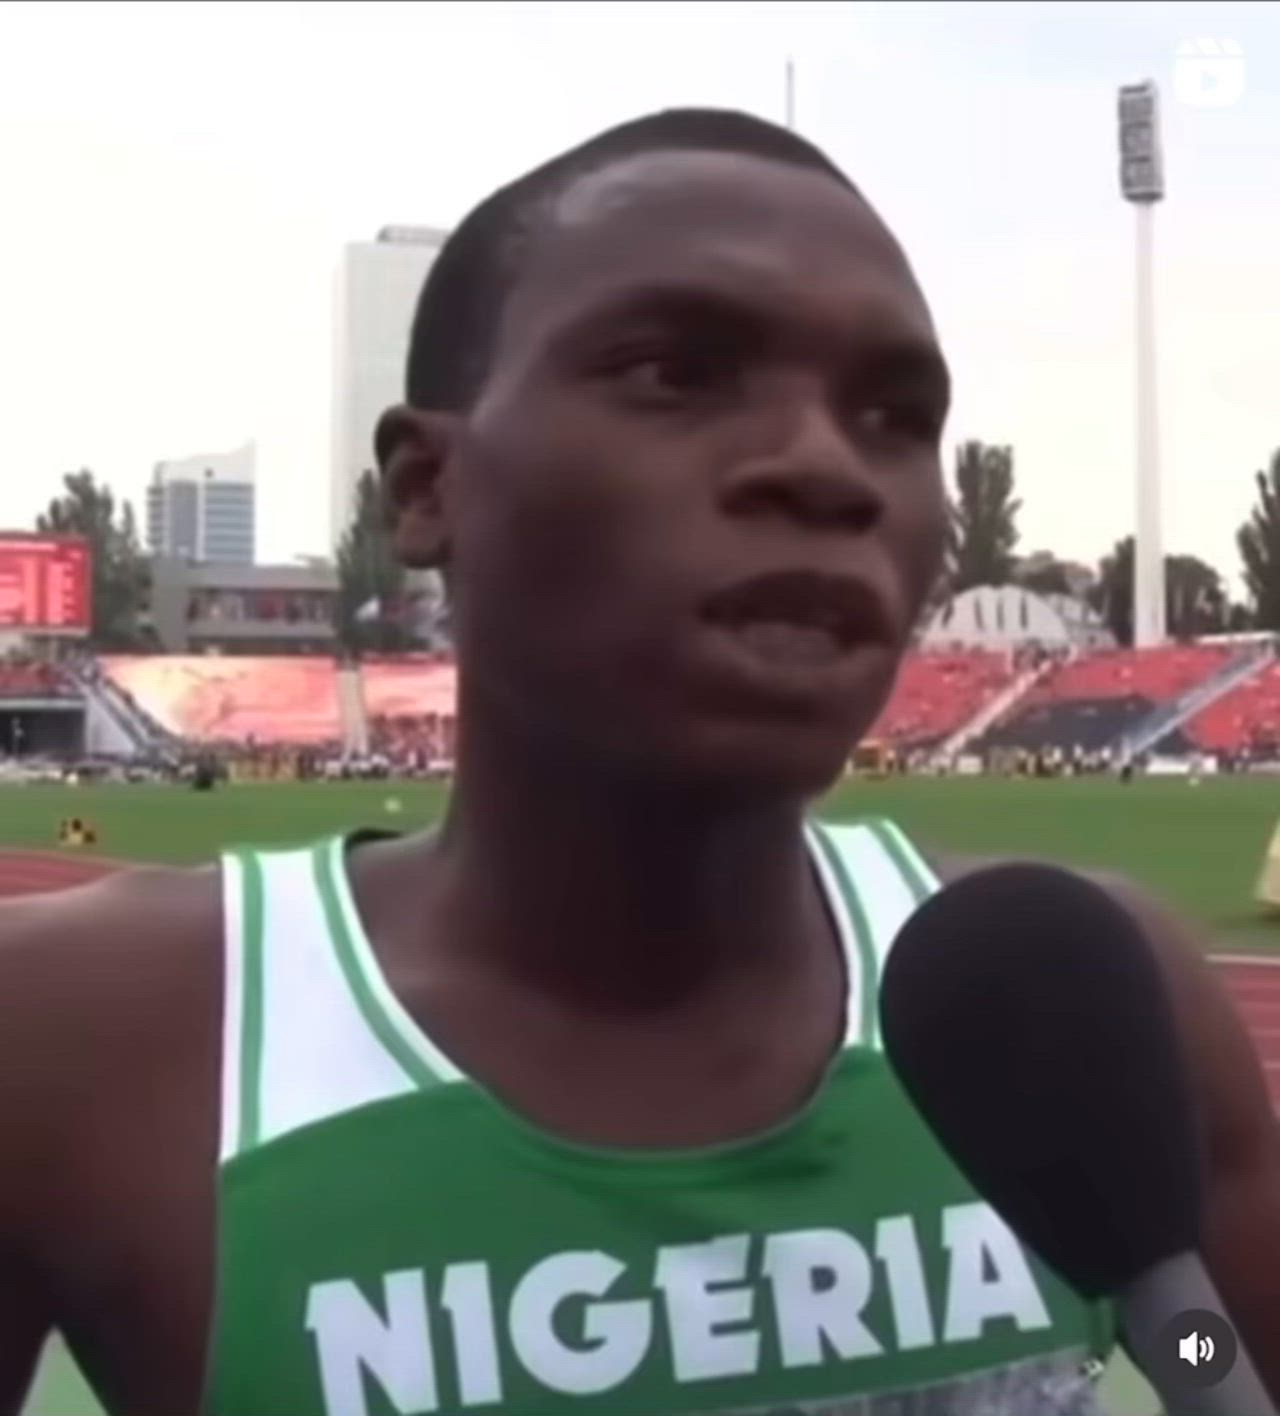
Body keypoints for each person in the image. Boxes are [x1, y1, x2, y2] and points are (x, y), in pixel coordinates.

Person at [1, 109, 1277, 1416]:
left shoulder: (1107, 1013)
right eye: (677, 372)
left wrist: (1198, 1364)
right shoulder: (79, 1043)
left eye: (896, 415)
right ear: (426, 488)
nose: (828, 468)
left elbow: (1196, 1352)